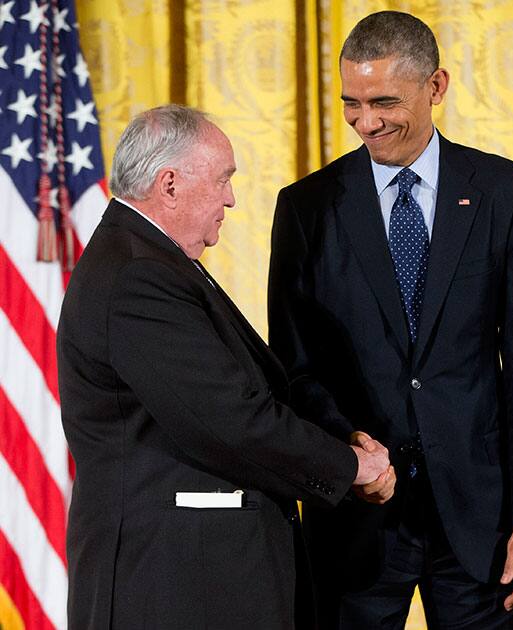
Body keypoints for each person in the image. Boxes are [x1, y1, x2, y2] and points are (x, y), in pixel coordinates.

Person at [268, 10, 513, 629]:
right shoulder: (305, 207)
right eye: (351, 103)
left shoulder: (505, 191)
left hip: (483, 523)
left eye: (383, 101)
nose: (365, 122)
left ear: (436, 87)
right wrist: (347, 448)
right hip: (355, 518)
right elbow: (295, 369)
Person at [57, 105, 395, 629]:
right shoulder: (137, 277)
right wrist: (349, 467)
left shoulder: (155, 263)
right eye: (223, 179)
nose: (230, 198)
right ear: (169, 184)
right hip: (171, 587)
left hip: (196, 582)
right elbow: (231, 419)